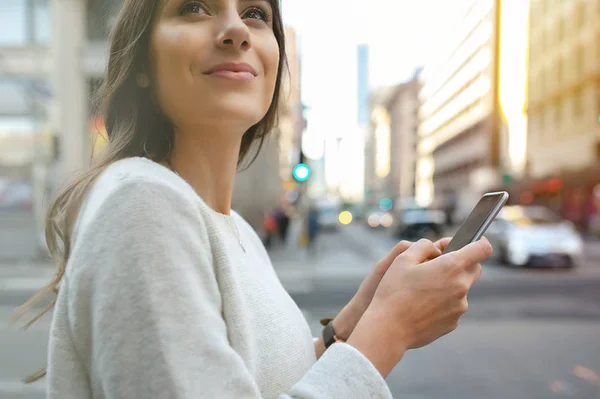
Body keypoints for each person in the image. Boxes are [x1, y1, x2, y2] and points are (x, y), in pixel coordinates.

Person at [12, 1, 493, 398]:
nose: (235, 30)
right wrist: (391, 326)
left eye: (256, 14)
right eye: (195, 8)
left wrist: (351, 324)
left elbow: (259, 380)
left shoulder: (236, 229)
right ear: (142, 65)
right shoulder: (141, 202)